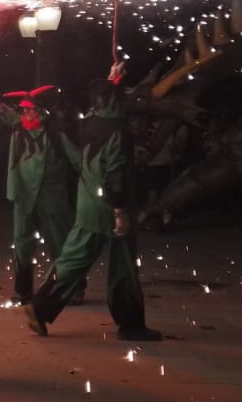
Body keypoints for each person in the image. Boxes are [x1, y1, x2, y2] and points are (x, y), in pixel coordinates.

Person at [25, 64, 163, 342]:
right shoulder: (118, 130)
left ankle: (39, 307)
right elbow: (116, 174)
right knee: (123, 266)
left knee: (72, 260)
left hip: (87, 202)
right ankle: (131, 324)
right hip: (110, 208)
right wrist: (121, 211)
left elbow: (101, 104)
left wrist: (111, 80)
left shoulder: (89, 122)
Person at [0, 75, 76, 304]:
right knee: (22, 243)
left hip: (51, 197)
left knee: (59, 242)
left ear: (43, 112)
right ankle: (23, 291)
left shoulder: (57, 134)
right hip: (23, 195)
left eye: (30, 110)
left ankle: (72, 288)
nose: (26, 114)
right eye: (24, 110)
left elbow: (78, 161)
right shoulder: (17, 126)